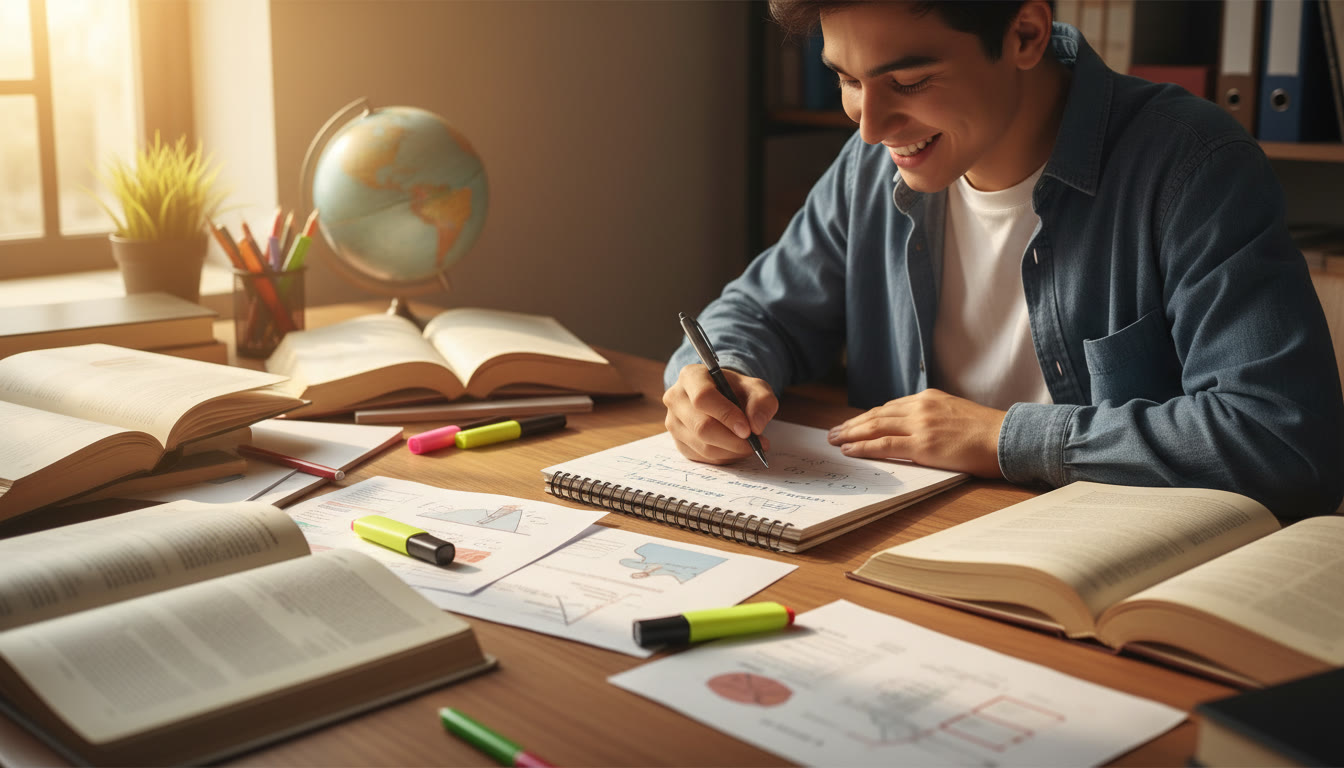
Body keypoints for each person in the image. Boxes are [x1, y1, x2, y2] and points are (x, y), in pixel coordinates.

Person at [663, 0, 1344, 517]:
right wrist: (713, 377)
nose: (869, 126)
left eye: (908, 81)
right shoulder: (872, 167)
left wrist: (1002, 439)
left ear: (1025, 35)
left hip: (1118, 581)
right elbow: (759, 313)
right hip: (913, 550)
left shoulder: (1192, 165)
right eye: (847, 80)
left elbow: (1283, 438)